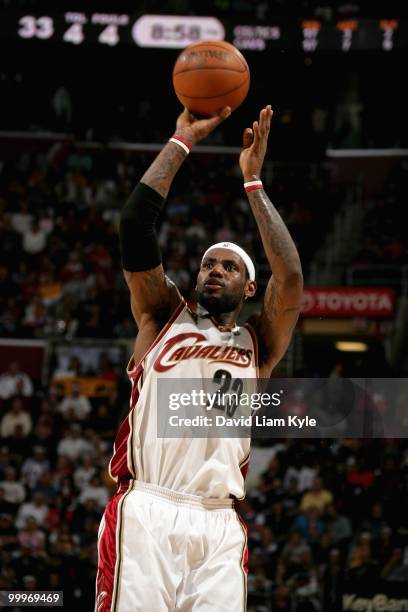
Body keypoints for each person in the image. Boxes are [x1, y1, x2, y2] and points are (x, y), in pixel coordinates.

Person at [95, 105, 303, 611]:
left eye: (229, 267)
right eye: (209, 263)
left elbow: (291, 277)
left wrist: (252, 182)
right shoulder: (163, 314)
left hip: (218, 522)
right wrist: (181, 140)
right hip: (148, 505)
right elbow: (135, 227)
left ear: (249, 287)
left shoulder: (260, 343)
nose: (214, 270)